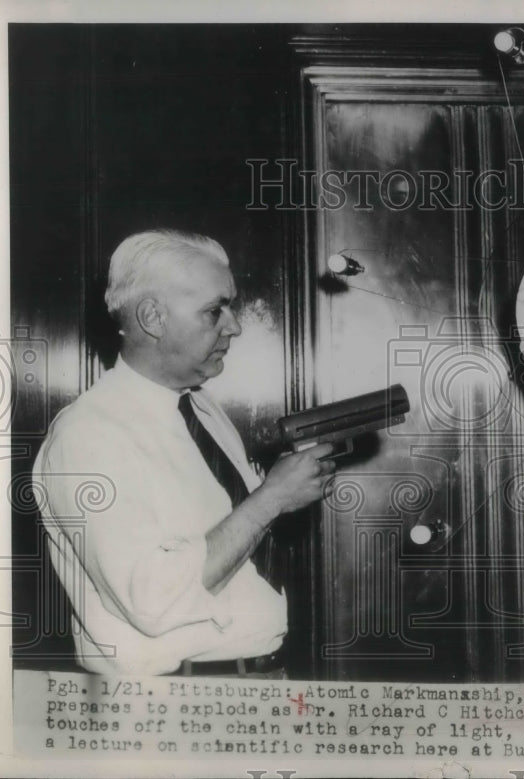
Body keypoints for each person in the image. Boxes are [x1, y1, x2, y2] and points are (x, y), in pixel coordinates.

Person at [33, 229, 334, 676]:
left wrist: (291, 489)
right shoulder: (88, 435)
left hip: (256, 682)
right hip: (171, 705)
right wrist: (271, 498)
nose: (234, 325)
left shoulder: (200, 408)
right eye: (215, 310)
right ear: (153, 318)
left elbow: (232, 543)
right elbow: (152, 602)